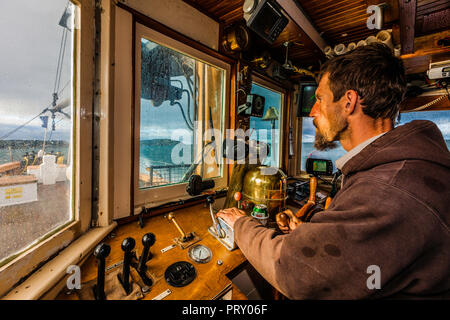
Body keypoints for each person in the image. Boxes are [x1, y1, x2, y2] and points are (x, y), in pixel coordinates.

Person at [217, 43, 450, 299]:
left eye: (319, 99)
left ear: (348, 102)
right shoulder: (397, 169)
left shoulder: (389, 189)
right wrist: (308, 233)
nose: (312, 112)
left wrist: (241, 223)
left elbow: (295, 274)